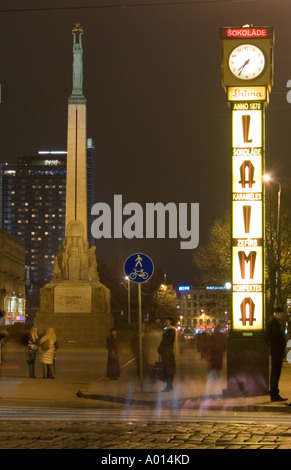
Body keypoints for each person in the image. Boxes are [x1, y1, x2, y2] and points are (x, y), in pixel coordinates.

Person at [266, 307, 288, 402]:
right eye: (281, 313)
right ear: (277, 313)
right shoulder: (273, 325)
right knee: (275, 373)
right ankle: (274, 394)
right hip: (276, 351)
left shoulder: (274, 324)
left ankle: (274, 393)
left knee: (276, 373)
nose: (282, 316)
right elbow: (275, 338)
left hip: (276, 351)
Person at [157, 316, 178, 392]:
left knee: (169, 369)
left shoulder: (171, 330)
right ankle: (169, 386)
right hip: (167, 351)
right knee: (168, 368)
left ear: (170, 322)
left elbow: (167, 341)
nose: (166, 322)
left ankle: (168, 386)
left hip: (167, 352)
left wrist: (161, 347)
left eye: (167, 321)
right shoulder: (169, 330)